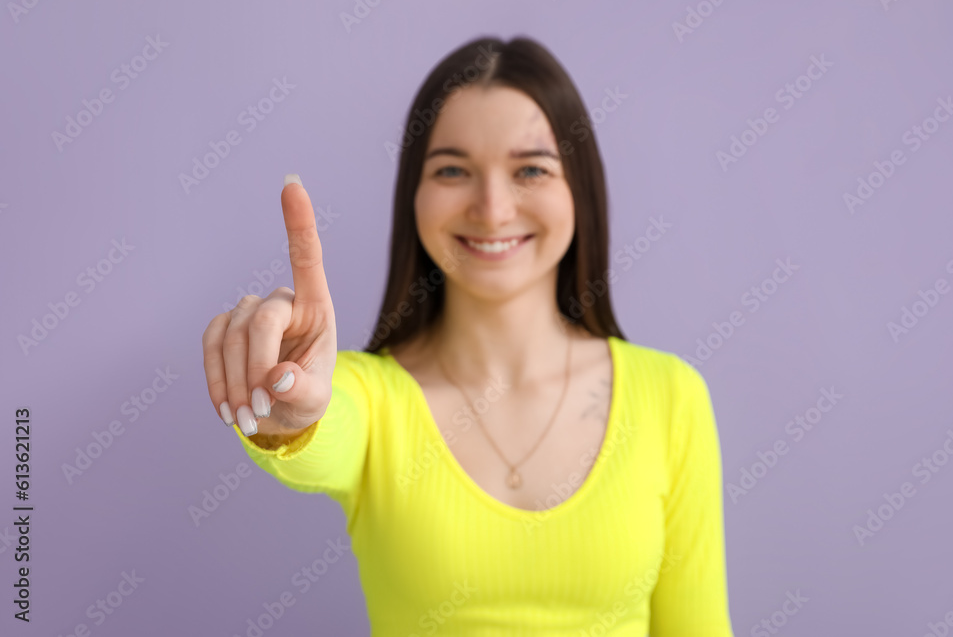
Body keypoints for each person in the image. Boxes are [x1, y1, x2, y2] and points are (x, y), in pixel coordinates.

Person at [201, 35, 735, 636]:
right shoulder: (370, 397)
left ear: (578, 189)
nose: (492, 207)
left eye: (530, 169)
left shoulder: (672, 397)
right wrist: (289, 417)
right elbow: (324, 429)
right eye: (453, 169)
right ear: (415, 196)